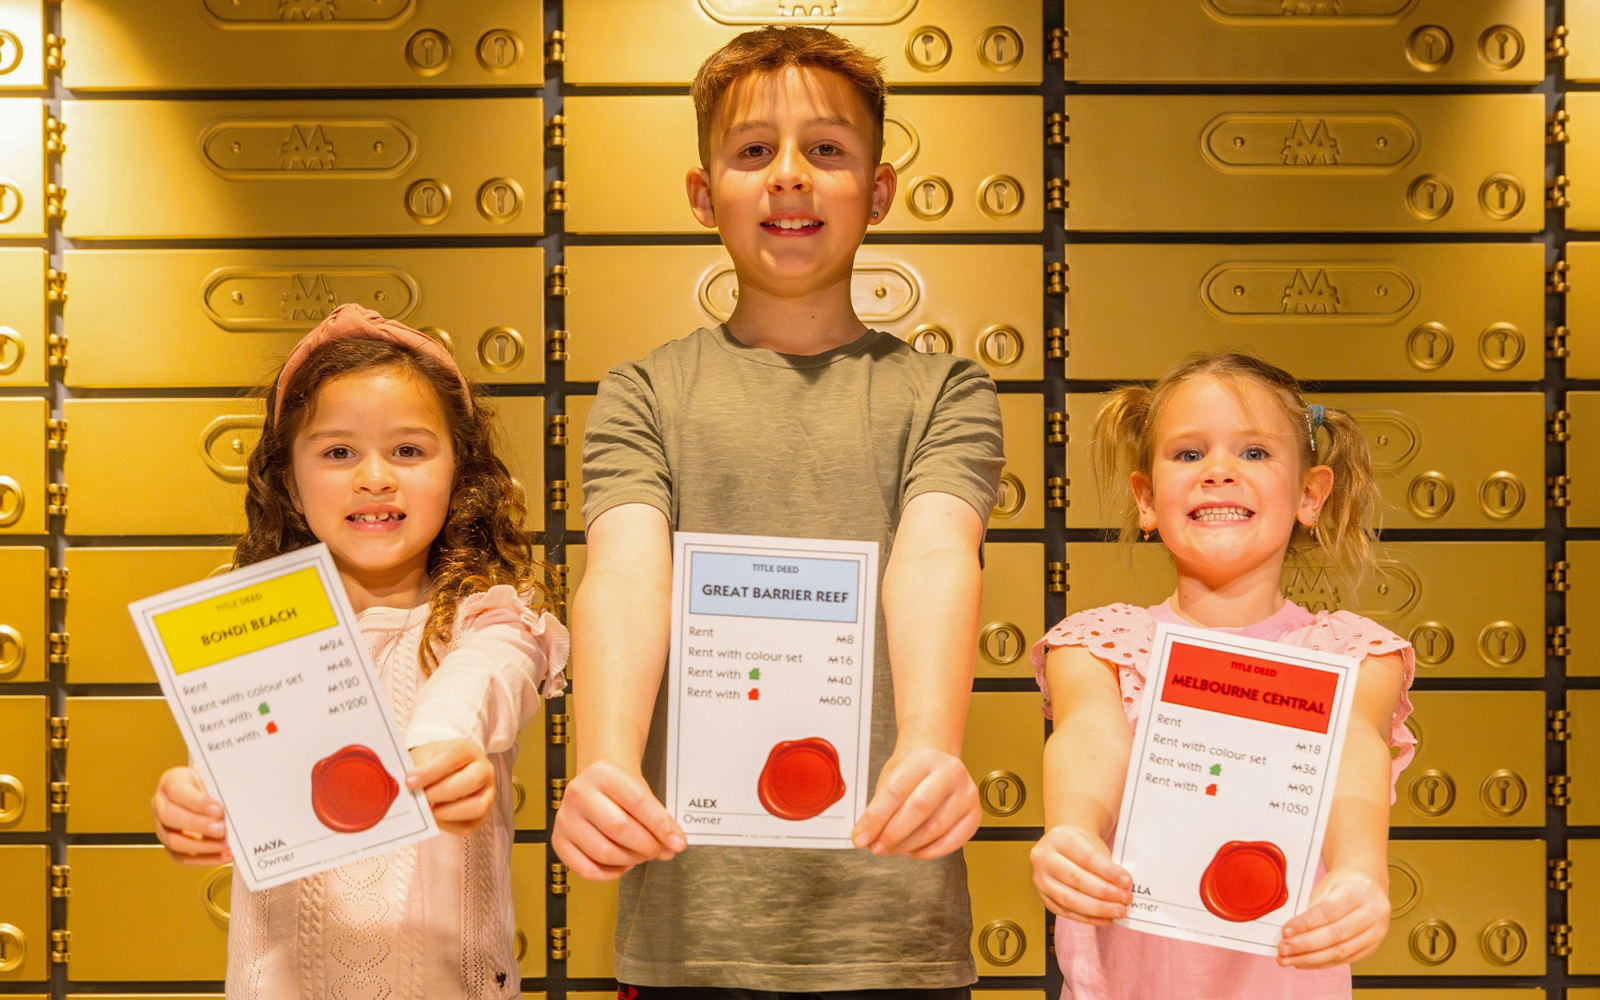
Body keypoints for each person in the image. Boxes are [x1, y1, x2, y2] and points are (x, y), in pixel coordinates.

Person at [549, 25, 1006, 998]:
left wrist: (929, 747)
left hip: (892, 919)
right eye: (753, 151)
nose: (789, 176)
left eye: (827, 150)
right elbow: (627, 574)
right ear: (703, 193)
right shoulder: (644, 394)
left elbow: (934, 557)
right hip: (692, 918)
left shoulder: (944, 393)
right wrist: (604, 765)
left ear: (877, 194)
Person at [150, 303, 569, 999]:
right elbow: (219, 763)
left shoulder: (491, 615)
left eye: (408, 450)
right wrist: (190, 801)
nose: (375, 477)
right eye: (338, 452)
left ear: (459, 474)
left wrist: (442, 745)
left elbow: (484, 678)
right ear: (289, 480)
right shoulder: (244, 618)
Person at [1029, 353, 1414, 1000]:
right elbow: (1090, 740)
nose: (1218, 472)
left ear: (1310, 495)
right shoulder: (1100, 646)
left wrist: (1360, 870)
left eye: (1256, 453)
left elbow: (1354, 757)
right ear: (1147, 499)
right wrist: (1070, 829)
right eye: (1187, 454)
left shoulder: (1354, 655)